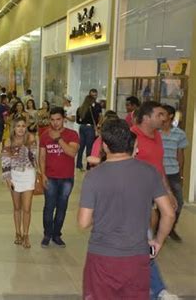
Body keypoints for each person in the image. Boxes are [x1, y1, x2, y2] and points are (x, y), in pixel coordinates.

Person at [78, 119, 175, 300]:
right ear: (131, 144)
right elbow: (169, 213)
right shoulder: (150, 172)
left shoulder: (93, 177)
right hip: (137, 257)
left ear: (105, 146)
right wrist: (158, 241)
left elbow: (83, 222)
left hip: (102, 258)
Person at [130, 101, 179, 299]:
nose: (164, 118)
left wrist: (168, 191)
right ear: (147, 117)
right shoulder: (131, 136)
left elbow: (159, 167)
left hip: (152, 197)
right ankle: (157, 290)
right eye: (159, 114)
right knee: (144, 242)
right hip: (134, 200)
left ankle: (154, 289)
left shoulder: (157, 136)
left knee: (144, 243)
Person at [39, 107, 79, 248]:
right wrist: (42, 174)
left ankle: (57, 234)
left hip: (66, 178)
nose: (55, 123)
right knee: (49, 207)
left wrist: (59, 139)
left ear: (64, 119)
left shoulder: (72, 134)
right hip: (50, 177)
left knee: (62, 207)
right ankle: (47, 234)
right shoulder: (44, 135)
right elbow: (42, 156)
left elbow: (72, 153)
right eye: (52, 120)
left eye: (58, 119)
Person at [1, 117, 38, 248]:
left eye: (23, 125)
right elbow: (5, 161)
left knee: (27, 208)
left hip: (28, 173)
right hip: (14, 175)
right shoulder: (8, 141)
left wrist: (25, 146)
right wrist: (7, 178)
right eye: (18, 126)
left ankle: (26, 234)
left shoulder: (31, 139)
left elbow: (34, 158)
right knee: (17, 207)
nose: (21, 128)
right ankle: (17, 232)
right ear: (14, 128)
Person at [160, 105, 188, 242]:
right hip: (157, 173)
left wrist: (181, 174)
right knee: (156, 204)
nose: (160, 116)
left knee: (179, 202)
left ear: (170, 116)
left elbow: (181, 155)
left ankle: (171, 228)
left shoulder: (180, 134)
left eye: (162, 114)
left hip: (173, 173)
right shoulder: (155, 133)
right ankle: (159, 228)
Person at [76, 92, 102, 171]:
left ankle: (78, 164)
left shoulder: (80, 109)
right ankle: (88, 165)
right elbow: (97, 118)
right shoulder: (93, 109)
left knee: (81, 147)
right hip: (90, 128)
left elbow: (78, 121)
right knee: (89, 147)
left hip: (82, 127)